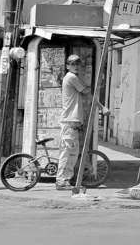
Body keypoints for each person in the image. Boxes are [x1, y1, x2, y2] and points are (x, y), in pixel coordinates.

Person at [56, 54, 108, 191]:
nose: (76, 66)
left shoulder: (71, 78)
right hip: (70, 121)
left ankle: (66, 180)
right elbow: (87, 94)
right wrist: (102, 107)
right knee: (68, 153)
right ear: (67, 66)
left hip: (73, 122)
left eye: (78, 63)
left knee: (72, 153)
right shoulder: (71, 77)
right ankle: (61, 181)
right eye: (73, 64)